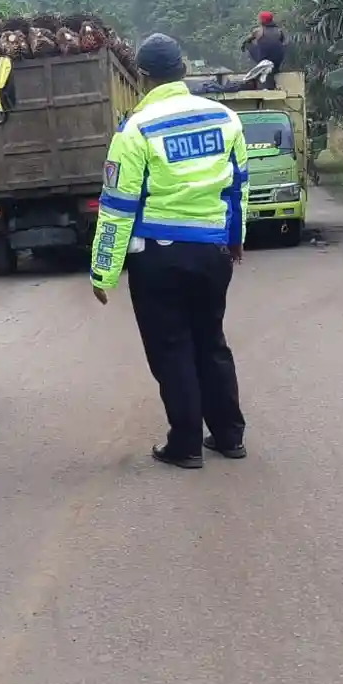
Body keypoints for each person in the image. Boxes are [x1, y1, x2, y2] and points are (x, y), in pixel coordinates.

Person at [89, 33, 249, 469]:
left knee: (173, 348)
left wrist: (103, 272)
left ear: (142, 78)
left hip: (159, 259)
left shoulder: (135, 130)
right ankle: (230, 435)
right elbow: (237, 190)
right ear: (182, 71)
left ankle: (186, 445)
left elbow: (117, 207)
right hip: (213, 252)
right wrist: (235, 239)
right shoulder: (225, 118)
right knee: (211, 341)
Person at [242, 11, 285, 75]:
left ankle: (260, 65)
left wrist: (243, 47)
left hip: (264, 61)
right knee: (279, 46)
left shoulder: (258, 31)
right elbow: (280, 44)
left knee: (248, 44)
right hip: (277, 61)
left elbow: (246, 41)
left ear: (262, 20)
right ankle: (276, 67)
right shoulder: (279, 31)